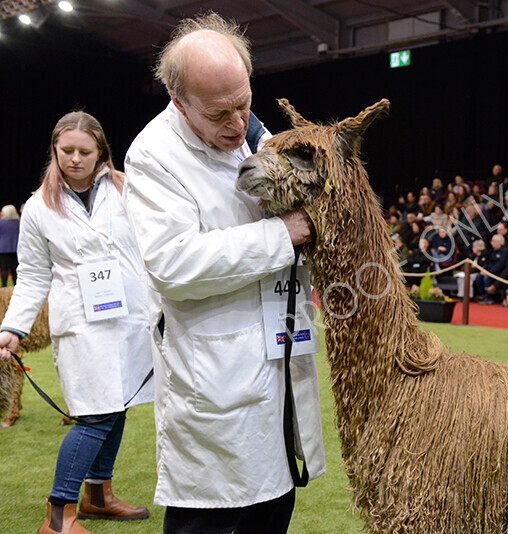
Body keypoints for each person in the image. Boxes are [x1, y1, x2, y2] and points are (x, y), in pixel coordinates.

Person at [123, 14, 324, 533]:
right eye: (219, 112)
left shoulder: (261, 139)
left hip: (279, 353)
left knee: (274, 504)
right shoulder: (152, 157)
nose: (237, 123)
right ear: (177, 98)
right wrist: (285, 234)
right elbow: (174, 264)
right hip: (214, 374)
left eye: (244, 103)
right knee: (208, 514)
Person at [0, 111, 154, 532]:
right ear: (55, 150)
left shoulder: (128, 191)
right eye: (66, 150)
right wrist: (11, 329)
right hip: (81, 327)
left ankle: (98, 496)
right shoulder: (36, 208)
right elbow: (32, 275)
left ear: (101, 152)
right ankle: (57, 517)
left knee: (118, 406)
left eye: (84, 151)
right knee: (95, 415)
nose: (74, 158)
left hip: (129, 319)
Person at [0, 204, 20, 286]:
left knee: (4, 269)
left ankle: (3, 286)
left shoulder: (1, 223)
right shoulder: (19, 223)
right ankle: (16, 285)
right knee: (15, 269)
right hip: (16, 249)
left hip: (3, 249)